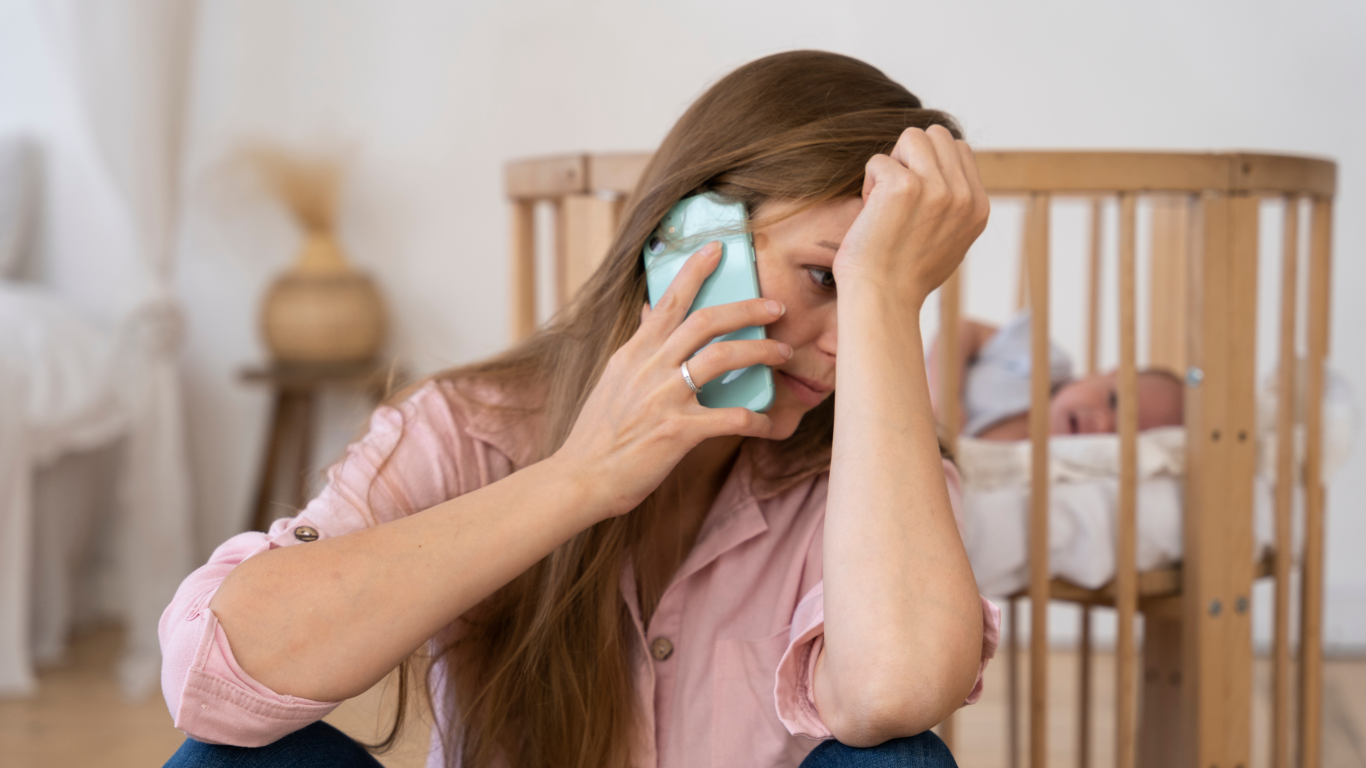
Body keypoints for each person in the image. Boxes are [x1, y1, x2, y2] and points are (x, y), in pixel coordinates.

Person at [160, 51, 1000, 768]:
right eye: (824, 277)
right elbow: (213, 678)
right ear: (689, 238)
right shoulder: (468, 428)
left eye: (880, 299)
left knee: (899, 757)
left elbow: (893, 695)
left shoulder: (879, 485)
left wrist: (884, 294)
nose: (849, 347)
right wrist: (579, 479)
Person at [929, 313, 1185, 441]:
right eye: (1114, 401)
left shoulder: (1049, 471)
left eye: (1120, 435)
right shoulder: (1046, 362)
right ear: (1105, 374)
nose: (1103, 423)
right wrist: (943, 396)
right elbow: (960, 329)